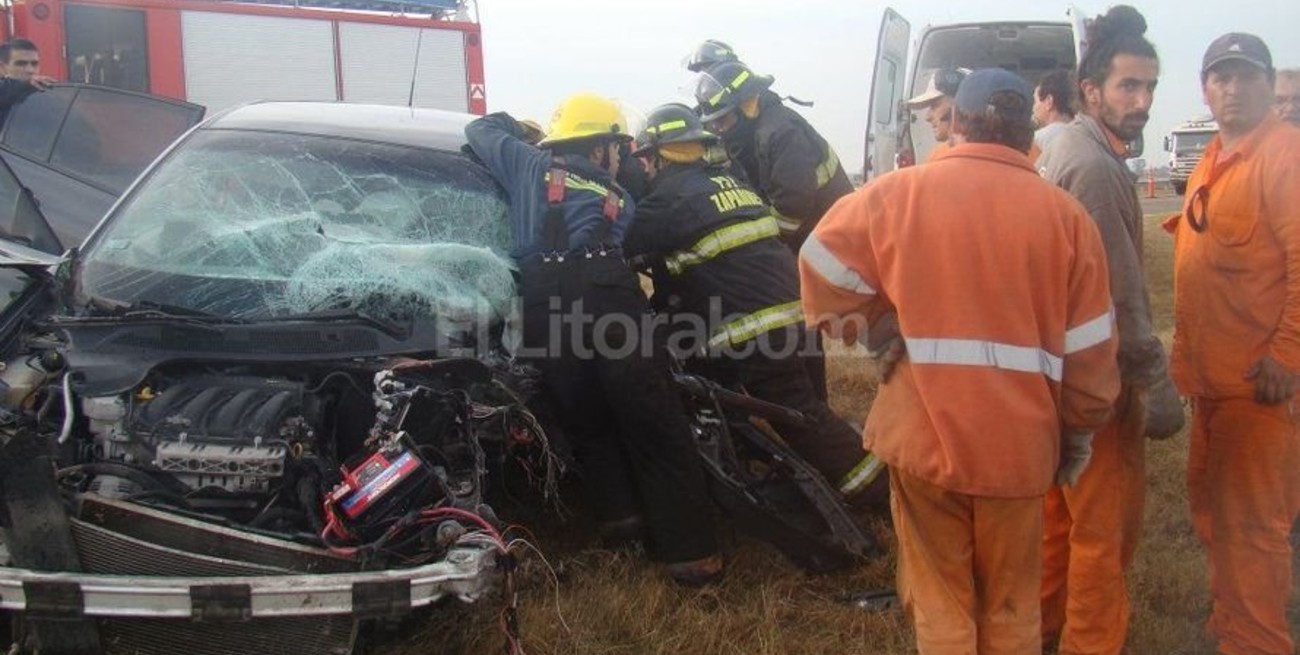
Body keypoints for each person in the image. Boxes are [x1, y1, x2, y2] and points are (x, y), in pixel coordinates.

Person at [800, 68, 1120, 653]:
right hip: (1019, 454)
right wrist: (1076, 436)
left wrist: (871, 327)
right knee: (1010, 604)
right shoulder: (1069, 221)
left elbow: (818, 262)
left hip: (922, 443)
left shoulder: (898, 195)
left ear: (958, 125)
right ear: (1029, 132)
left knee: (942, 601)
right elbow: (1091, 357)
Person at [464, 94, 722, 585]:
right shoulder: (621, 198)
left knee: (586, 423)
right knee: (655, 424)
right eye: (618, 148)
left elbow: (480, 130)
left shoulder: (525, 161)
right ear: (601, 148)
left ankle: (622, 527)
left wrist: (519, 125)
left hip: (545, 306)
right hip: (610, 297)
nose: (622, 158)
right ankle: (692, 557)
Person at [623, 102, 885, 504]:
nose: (645, 169)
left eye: (646, 160)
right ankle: (763, 464)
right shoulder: (734, 185)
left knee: (800, 417)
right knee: (803, 407)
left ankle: (876, 490)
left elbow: (626, 248)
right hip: (799, 319)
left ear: (659, 155)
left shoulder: (666, 202)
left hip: (756, 332)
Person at [1034, 7, 1184, 654]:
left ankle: (1040, 629)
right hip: (1098, 378)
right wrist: (1156, 379)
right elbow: (1119, 294)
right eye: (1129, 86)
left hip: (1056, 372)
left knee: (1060, 518)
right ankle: (1091, 642)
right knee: (1102, 526)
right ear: (1090, 91)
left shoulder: (1064, 146)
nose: (1143, 101)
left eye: (1150, 87)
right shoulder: (1094, 166)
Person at [1165, 33, 1300, 655]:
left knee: (1253, 526)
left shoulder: (1285, 155)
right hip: (1211, 382)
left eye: (1246, 76)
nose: (1233, 88)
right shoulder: (1212, 159)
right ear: (1204, 88)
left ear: (1268, 83)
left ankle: (1260, 641)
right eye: (1221, 77)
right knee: (1215, 516)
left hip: (1259, 385)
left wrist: (1288, 354)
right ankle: (1232, 625)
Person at [693, 62, 851, 251]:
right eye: (713, 123)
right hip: (812, 233)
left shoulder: (782, 134)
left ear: (744, 108)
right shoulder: (751, 133)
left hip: (833, 235)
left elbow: (791, 211)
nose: (717, 128)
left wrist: (755, 243)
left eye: (722, 119)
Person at [905, 67, 968, 161]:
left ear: (959, 105)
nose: (927, 117)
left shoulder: (940, 157)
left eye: (935, 105)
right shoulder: (938, 155)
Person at [0, 39, 54, 127]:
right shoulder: (5, 91)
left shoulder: (48, 94)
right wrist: (26, 85)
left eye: (34, 64)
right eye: (21, 64)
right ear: (2, 67)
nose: (30, 70)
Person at [1033, 68, 1076, 150]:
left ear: (1049, 101)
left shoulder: (1037, 140)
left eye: (1035, 101)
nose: (1034, 108)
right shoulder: (1086, 136)